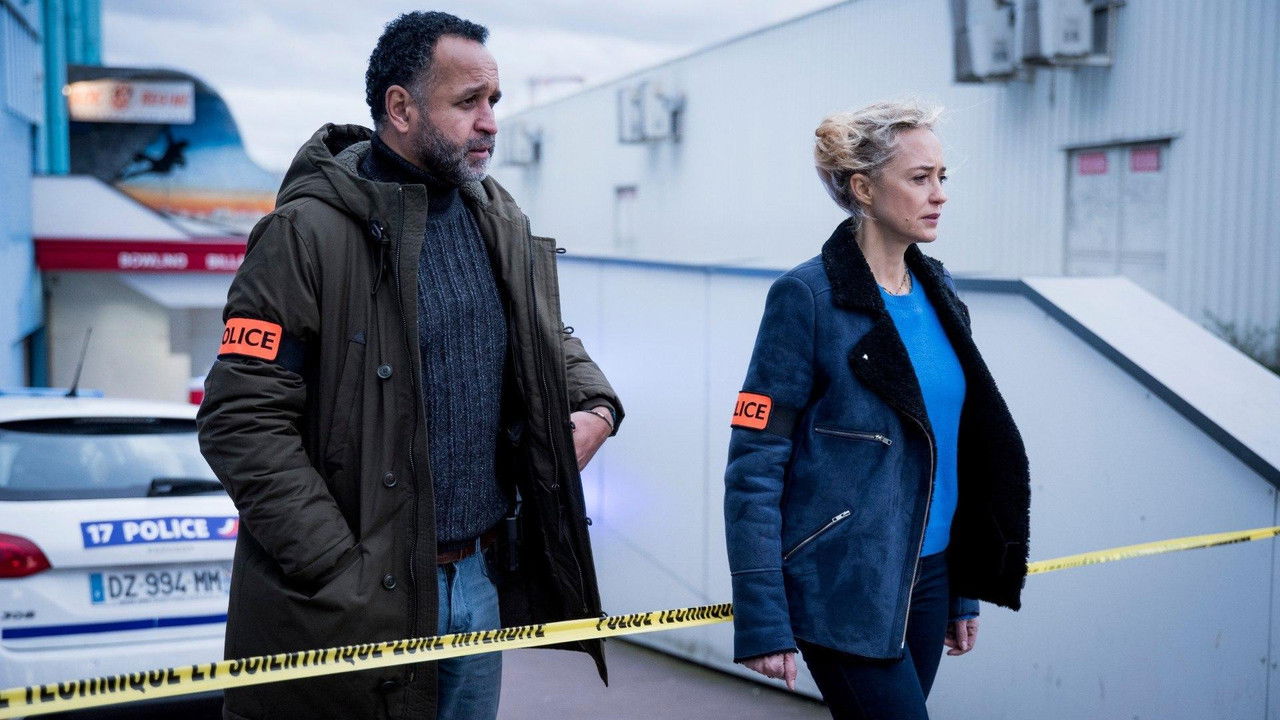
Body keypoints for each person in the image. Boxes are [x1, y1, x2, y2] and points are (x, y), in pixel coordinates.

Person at [197, 12, 622, 720]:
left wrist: (596, 405)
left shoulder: (496, 216)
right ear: (400, 108)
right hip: (356, 601)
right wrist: (341, 568)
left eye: (494, 102)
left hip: (475, 584)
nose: (489, 123)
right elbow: (240, 421)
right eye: (467, 102)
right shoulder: (303, 235)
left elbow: (543, 335)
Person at [723, 100, 1031, 719]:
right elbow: (754, 461)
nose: (939, 194)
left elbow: (953, 447)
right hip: (842, 583)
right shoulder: (806, 297)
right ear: (863, 188)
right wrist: (762, 616)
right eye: (919, 178)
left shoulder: (940, 290)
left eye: (942, 176)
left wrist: (964, 588)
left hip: (932, 575)